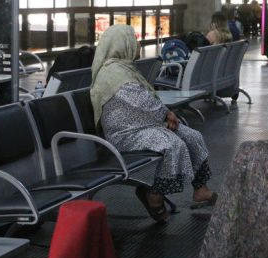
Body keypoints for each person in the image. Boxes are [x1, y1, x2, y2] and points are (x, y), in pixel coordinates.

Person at [90, 25, 217, 223]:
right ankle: (154, 195)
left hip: (143, 125)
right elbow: (140, 103)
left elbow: (144, 103)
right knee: (172, 144)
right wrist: (165, 115)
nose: (138, 45)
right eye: (134, 40)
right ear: (123, 44)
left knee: (193, 137)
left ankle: (201, 189)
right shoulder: (112, 74)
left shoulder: (124, 69)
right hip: (125, 134)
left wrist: (165, 115)